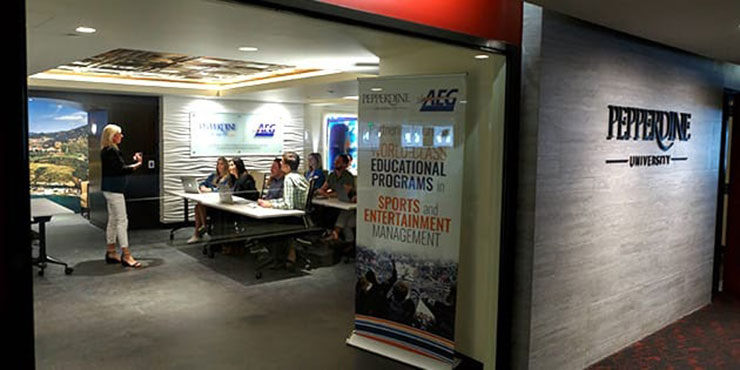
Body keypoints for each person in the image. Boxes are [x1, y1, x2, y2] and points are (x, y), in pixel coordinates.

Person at [100, 124, 143, 268]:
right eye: (120, 134)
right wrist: (137, 164)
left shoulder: (106, 150)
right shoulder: (112, 151)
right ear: (113, 136)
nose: (122, 136)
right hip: (115, 190)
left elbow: (116, 169)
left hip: (108, 189)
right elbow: (121, 170)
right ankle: (126, 255)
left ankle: (111, 251)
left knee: (113, 220)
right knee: (122, 221)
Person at [259, 151, 309, 269]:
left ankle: (277, 257)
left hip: (293, 218)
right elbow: (287, 201)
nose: (280, 164)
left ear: (286, 165)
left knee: (263, 225)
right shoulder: (299, 176)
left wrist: (270, 205)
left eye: (281, 162)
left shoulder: (289, 178)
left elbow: (288, 204)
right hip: (301, 216)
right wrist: (270, 203)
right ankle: (280, 256)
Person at [188, 157, 231, 244]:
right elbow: (203, 183)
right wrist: (202, 186)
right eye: (218, 164)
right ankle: (202, 228)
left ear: (226, 165)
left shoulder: (229, 177)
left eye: (221, 164)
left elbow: (224, 189)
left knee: (199, 205)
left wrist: (211, 190)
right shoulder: (214, 176)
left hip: (220, 203)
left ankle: (201, 229)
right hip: (211, 200)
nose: (219, 166)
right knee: (198, 206)